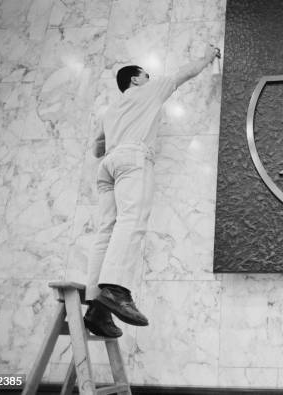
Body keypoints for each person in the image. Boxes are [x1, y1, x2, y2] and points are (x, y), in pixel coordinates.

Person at [83, 44, 221, 338]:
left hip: (108, 166)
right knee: (131, 221)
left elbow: (97, 148)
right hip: (133, 158)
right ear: (135, 79)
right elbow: (185, 73)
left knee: (105, 230)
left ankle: (96, 308)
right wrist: (208, 56)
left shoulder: (110, 110)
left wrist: (118, 133)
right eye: (146, 75)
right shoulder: (149, 90)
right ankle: (117, 291)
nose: (150, 77)